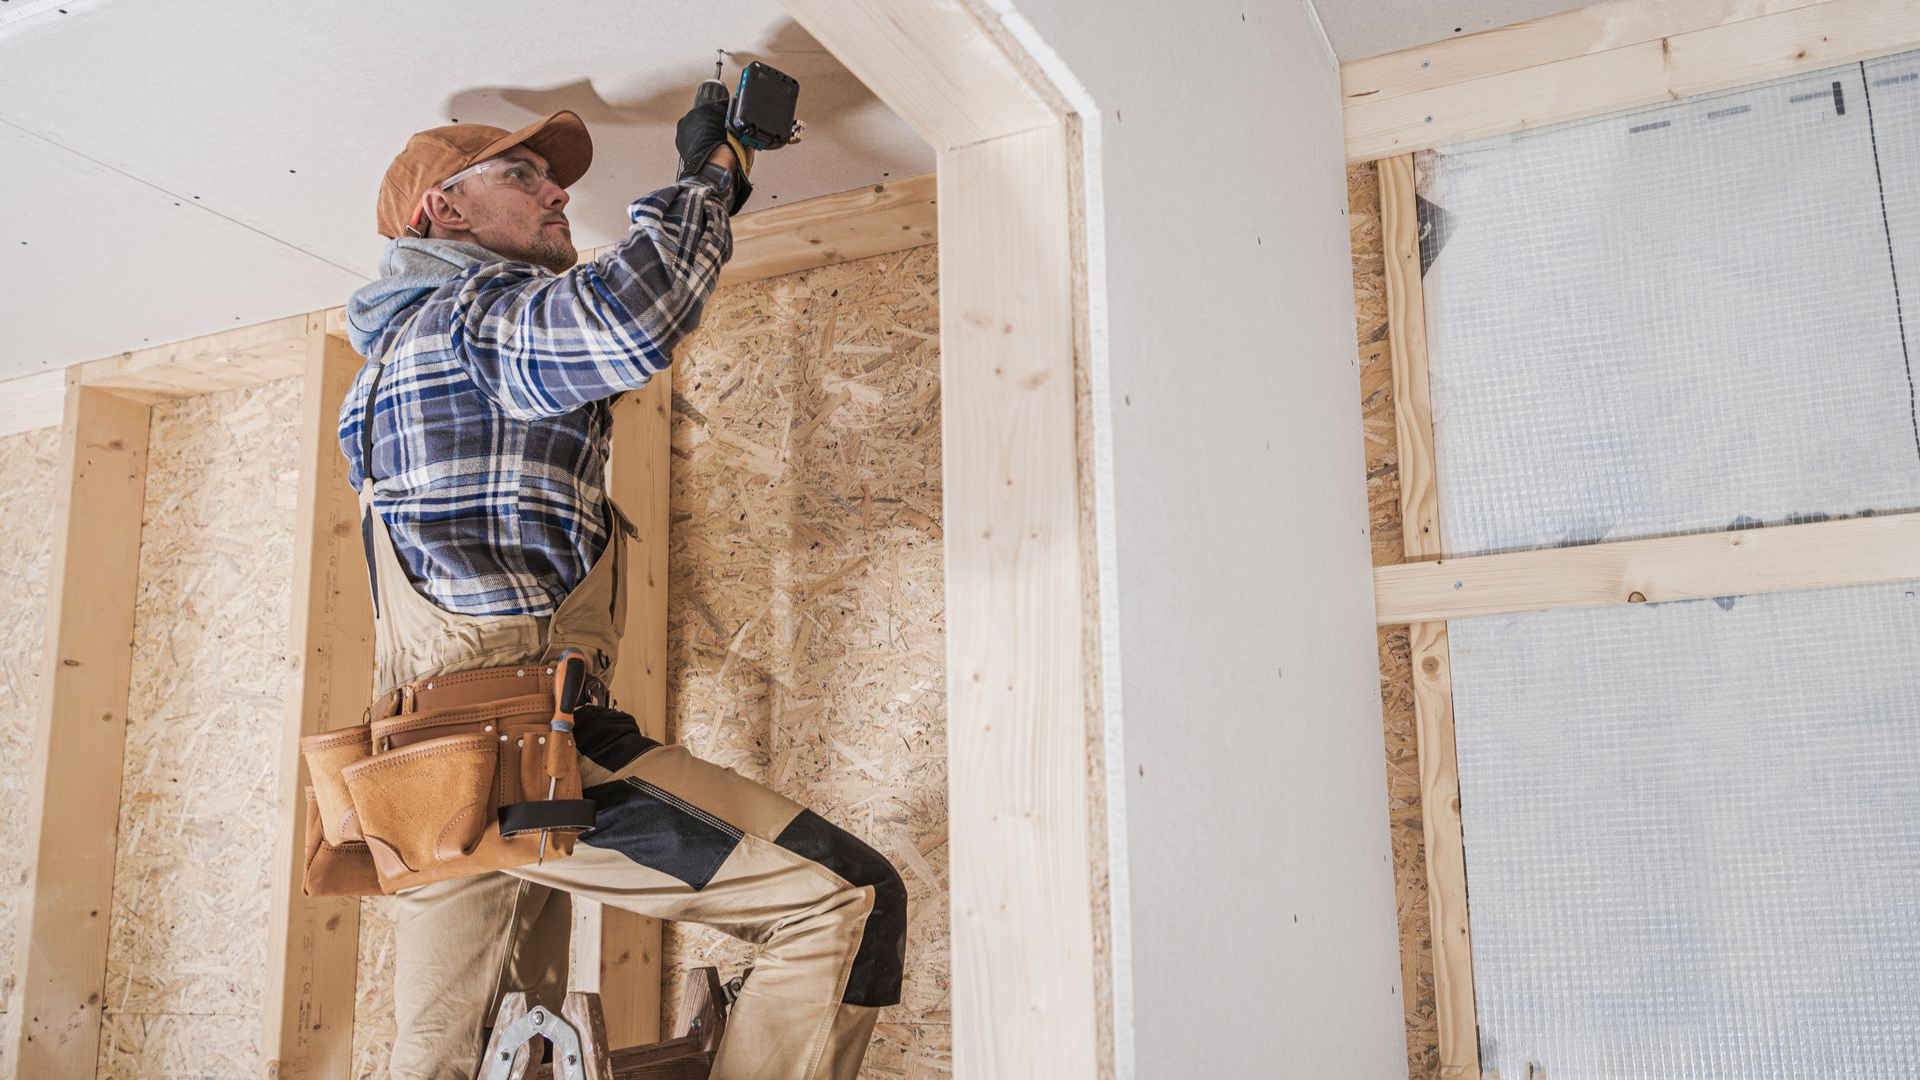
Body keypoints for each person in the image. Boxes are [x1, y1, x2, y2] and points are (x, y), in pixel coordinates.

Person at [338, 105, 905, 1080]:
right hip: (520, 753)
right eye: (524, 178)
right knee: (840, 900)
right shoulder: (472, 319)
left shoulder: (392, 367)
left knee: (468, 1064)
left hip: (428, 782)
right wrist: (713, 170)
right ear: (445, 212)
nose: (558, 192)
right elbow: (630, 314)